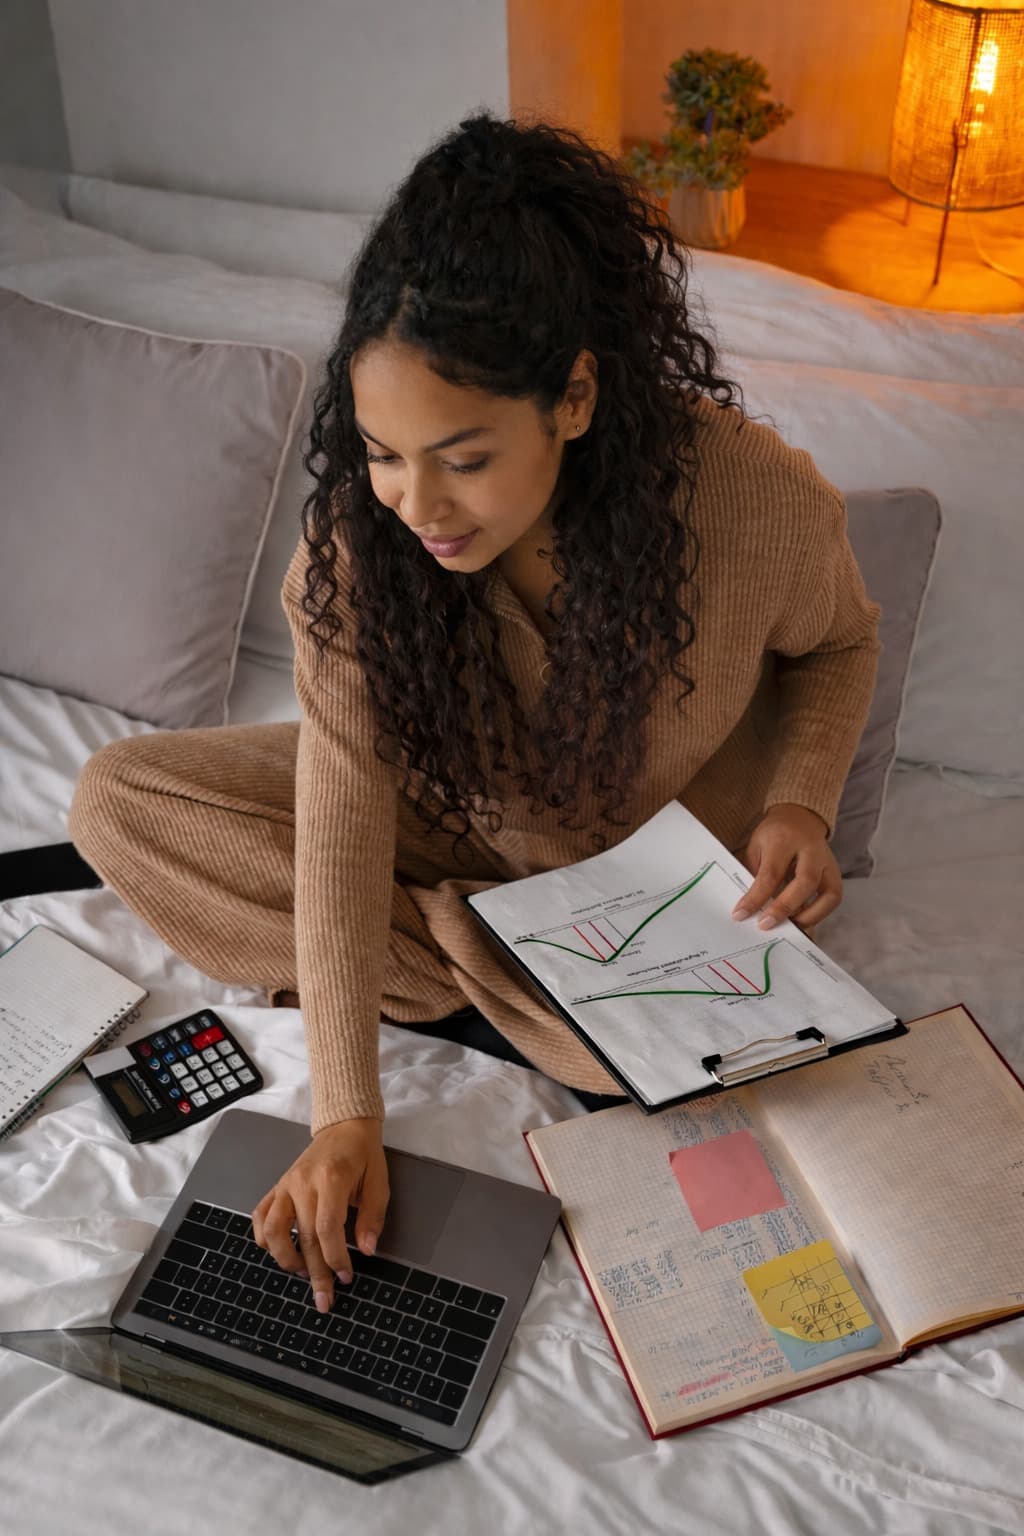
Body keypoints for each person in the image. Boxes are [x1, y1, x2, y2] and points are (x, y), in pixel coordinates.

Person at [67, 111, 880, 1322]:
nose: (416, 504)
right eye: (384, 453)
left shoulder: (751, 502)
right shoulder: (363, 543)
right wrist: (345, 1112)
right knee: (115, 803)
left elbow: (840, 644)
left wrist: (800, 798)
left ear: (575, 396)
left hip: (643, 885)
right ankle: (485, 961)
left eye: (460, 457)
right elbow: (341, 814)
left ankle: (478, 966)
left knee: (676, 1071)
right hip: (457, 819)